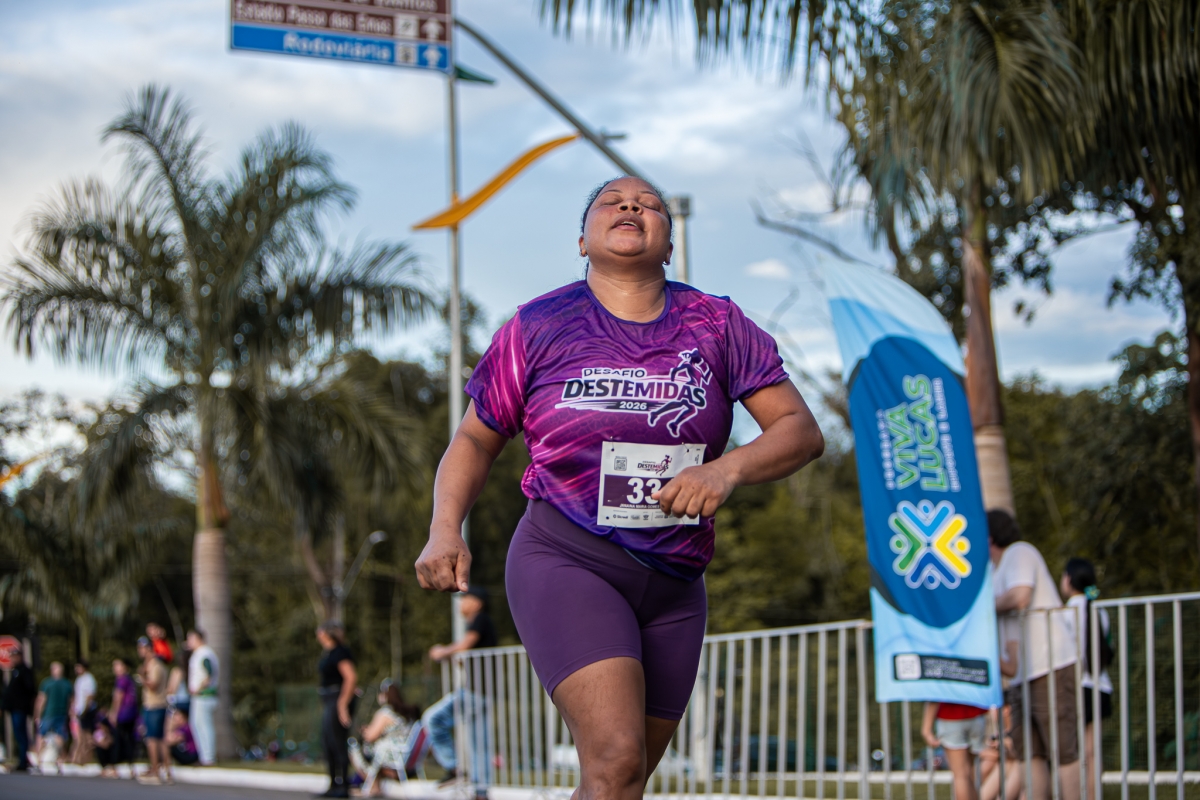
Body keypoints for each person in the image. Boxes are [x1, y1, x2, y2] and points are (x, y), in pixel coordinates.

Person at [416, 176, 824, 800]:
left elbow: (800, 429)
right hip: (568, 558)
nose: (632, 205)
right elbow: (474, 439)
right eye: (612, 202)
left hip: (676, 583)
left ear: (669, 246)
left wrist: (725, 470)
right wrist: (445, 527)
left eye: (650, 205)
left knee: (619, 783)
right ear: (582, 241)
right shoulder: (536, 325)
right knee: (616, 759)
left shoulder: (716, 323)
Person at [990, 510, 1080, 800]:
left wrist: (985, 607)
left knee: (1063, 750)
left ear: (989, 536)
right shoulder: (994, 572)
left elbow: (1020, 596)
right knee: (1029, 754)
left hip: (1050, 665)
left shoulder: (1019, 552)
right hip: (1021, 675)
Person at [424, 584, 497, 787]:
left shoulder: (480, 619)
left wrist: (442, 652)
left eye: (465, 599)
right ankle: (481, 790)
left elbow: (465, 644)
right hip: (482, 691)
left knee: (433, 719)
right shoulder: (479, 622)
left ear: (477, 603)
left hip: (475, 691)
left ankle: (453, 767)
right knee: (479, 742)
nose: (461, 604)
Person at [1061, 557, 1113, 800]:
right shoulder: (1100, 611)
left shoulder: (1066, 612)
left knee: (1071, 751)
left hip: (1075, 687)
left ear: (1069, 579)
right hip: (1100, 687)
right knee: (1092, 752)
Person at [349, 679, 421, 796]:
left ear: (385, 694)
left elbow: (370, 737)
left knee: (354, 748)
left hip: (389, 756)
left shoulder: (386, 713)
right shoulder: (406, 714)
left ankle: (373, 786)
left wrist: (365, 731)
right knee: (374, 751)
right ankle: (370, 785)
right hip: (407, 757)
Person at [316, 619, 358, 798]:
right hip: (329, 699)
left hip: (337, 699)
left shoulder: (340, 652)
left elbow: (351, 677)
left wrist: (342, 704)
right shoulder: (329, 653)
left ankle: (343, 786)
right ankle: (333, 784)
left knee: (338, 741)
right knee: (328, 742)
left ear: (326, 634)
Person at [922, 701, 988, 800]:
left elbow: (935, 694)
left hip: (951, 716)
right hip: (976, 715)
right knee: (969, 774)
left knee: (961, 776)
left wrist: (926, 728)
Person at [136, 636, 171, 784]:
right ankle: (166, 771)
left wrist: (142, 678)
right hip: (156, 705)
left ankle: (156, 772)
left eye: (142, 648)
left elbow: (153, 685)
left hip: (154, 706)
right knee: (160, 739)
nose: (140, 651)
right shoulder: (150, 665)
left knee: (153, 739)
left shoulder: (155, 666)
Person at [1, 647, 37, 772]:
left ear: (19, 656)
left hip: (20, 709)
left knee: (21, 735)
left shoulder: (24, 671)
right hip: (14, 708)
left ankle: (23, 761)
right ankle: (23, 759)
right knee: (18, 735)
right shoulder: (15, 671)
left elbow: (30, 689)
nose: (12, 659)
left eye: (13, 656)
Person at [186, 628, 219, 766]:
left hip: (204, 696)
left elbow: (209, 673)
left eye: (190, 638)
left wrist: (198, 689)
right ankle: (204, 756)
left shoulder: (204, 653)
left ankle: (208, 758)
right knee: (197, 725)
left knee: (204, 726)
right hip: (201, 697)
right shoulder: (200, 653)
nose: (188, 642)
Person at [33, 660, 73, 771]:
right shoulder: (67, 684)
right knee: (60, 736)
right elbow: (71, 701)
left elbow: (41, 700)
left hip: (48, 713)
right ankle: (62, 759)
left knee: (41, 735)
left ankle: (39, 760)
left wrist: (37, 715)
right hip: (62, 714)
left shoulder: (47, 683)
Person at [110, 657, 139, 777]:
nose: (115, 668)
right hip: (132, 713)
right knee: (129, 740)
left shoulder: (121, 680)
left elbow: (118, 697)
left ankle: (115, 765)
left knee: (118, 739)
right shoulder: (130, 679)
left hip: (123, 713)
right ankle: (130, 763)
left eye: (117, 665)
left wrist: (114, 713)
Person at [70, 660, 98, 765]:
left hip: (86, 711)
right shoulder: (79, 679)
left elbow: (89, 697)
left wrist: (84, 711)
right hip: (79, 711)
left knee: (87, 736)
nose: (76, 669)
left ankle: (88, 758)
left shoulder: (89, 679)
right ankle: (81, 758)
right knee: (81, 736)